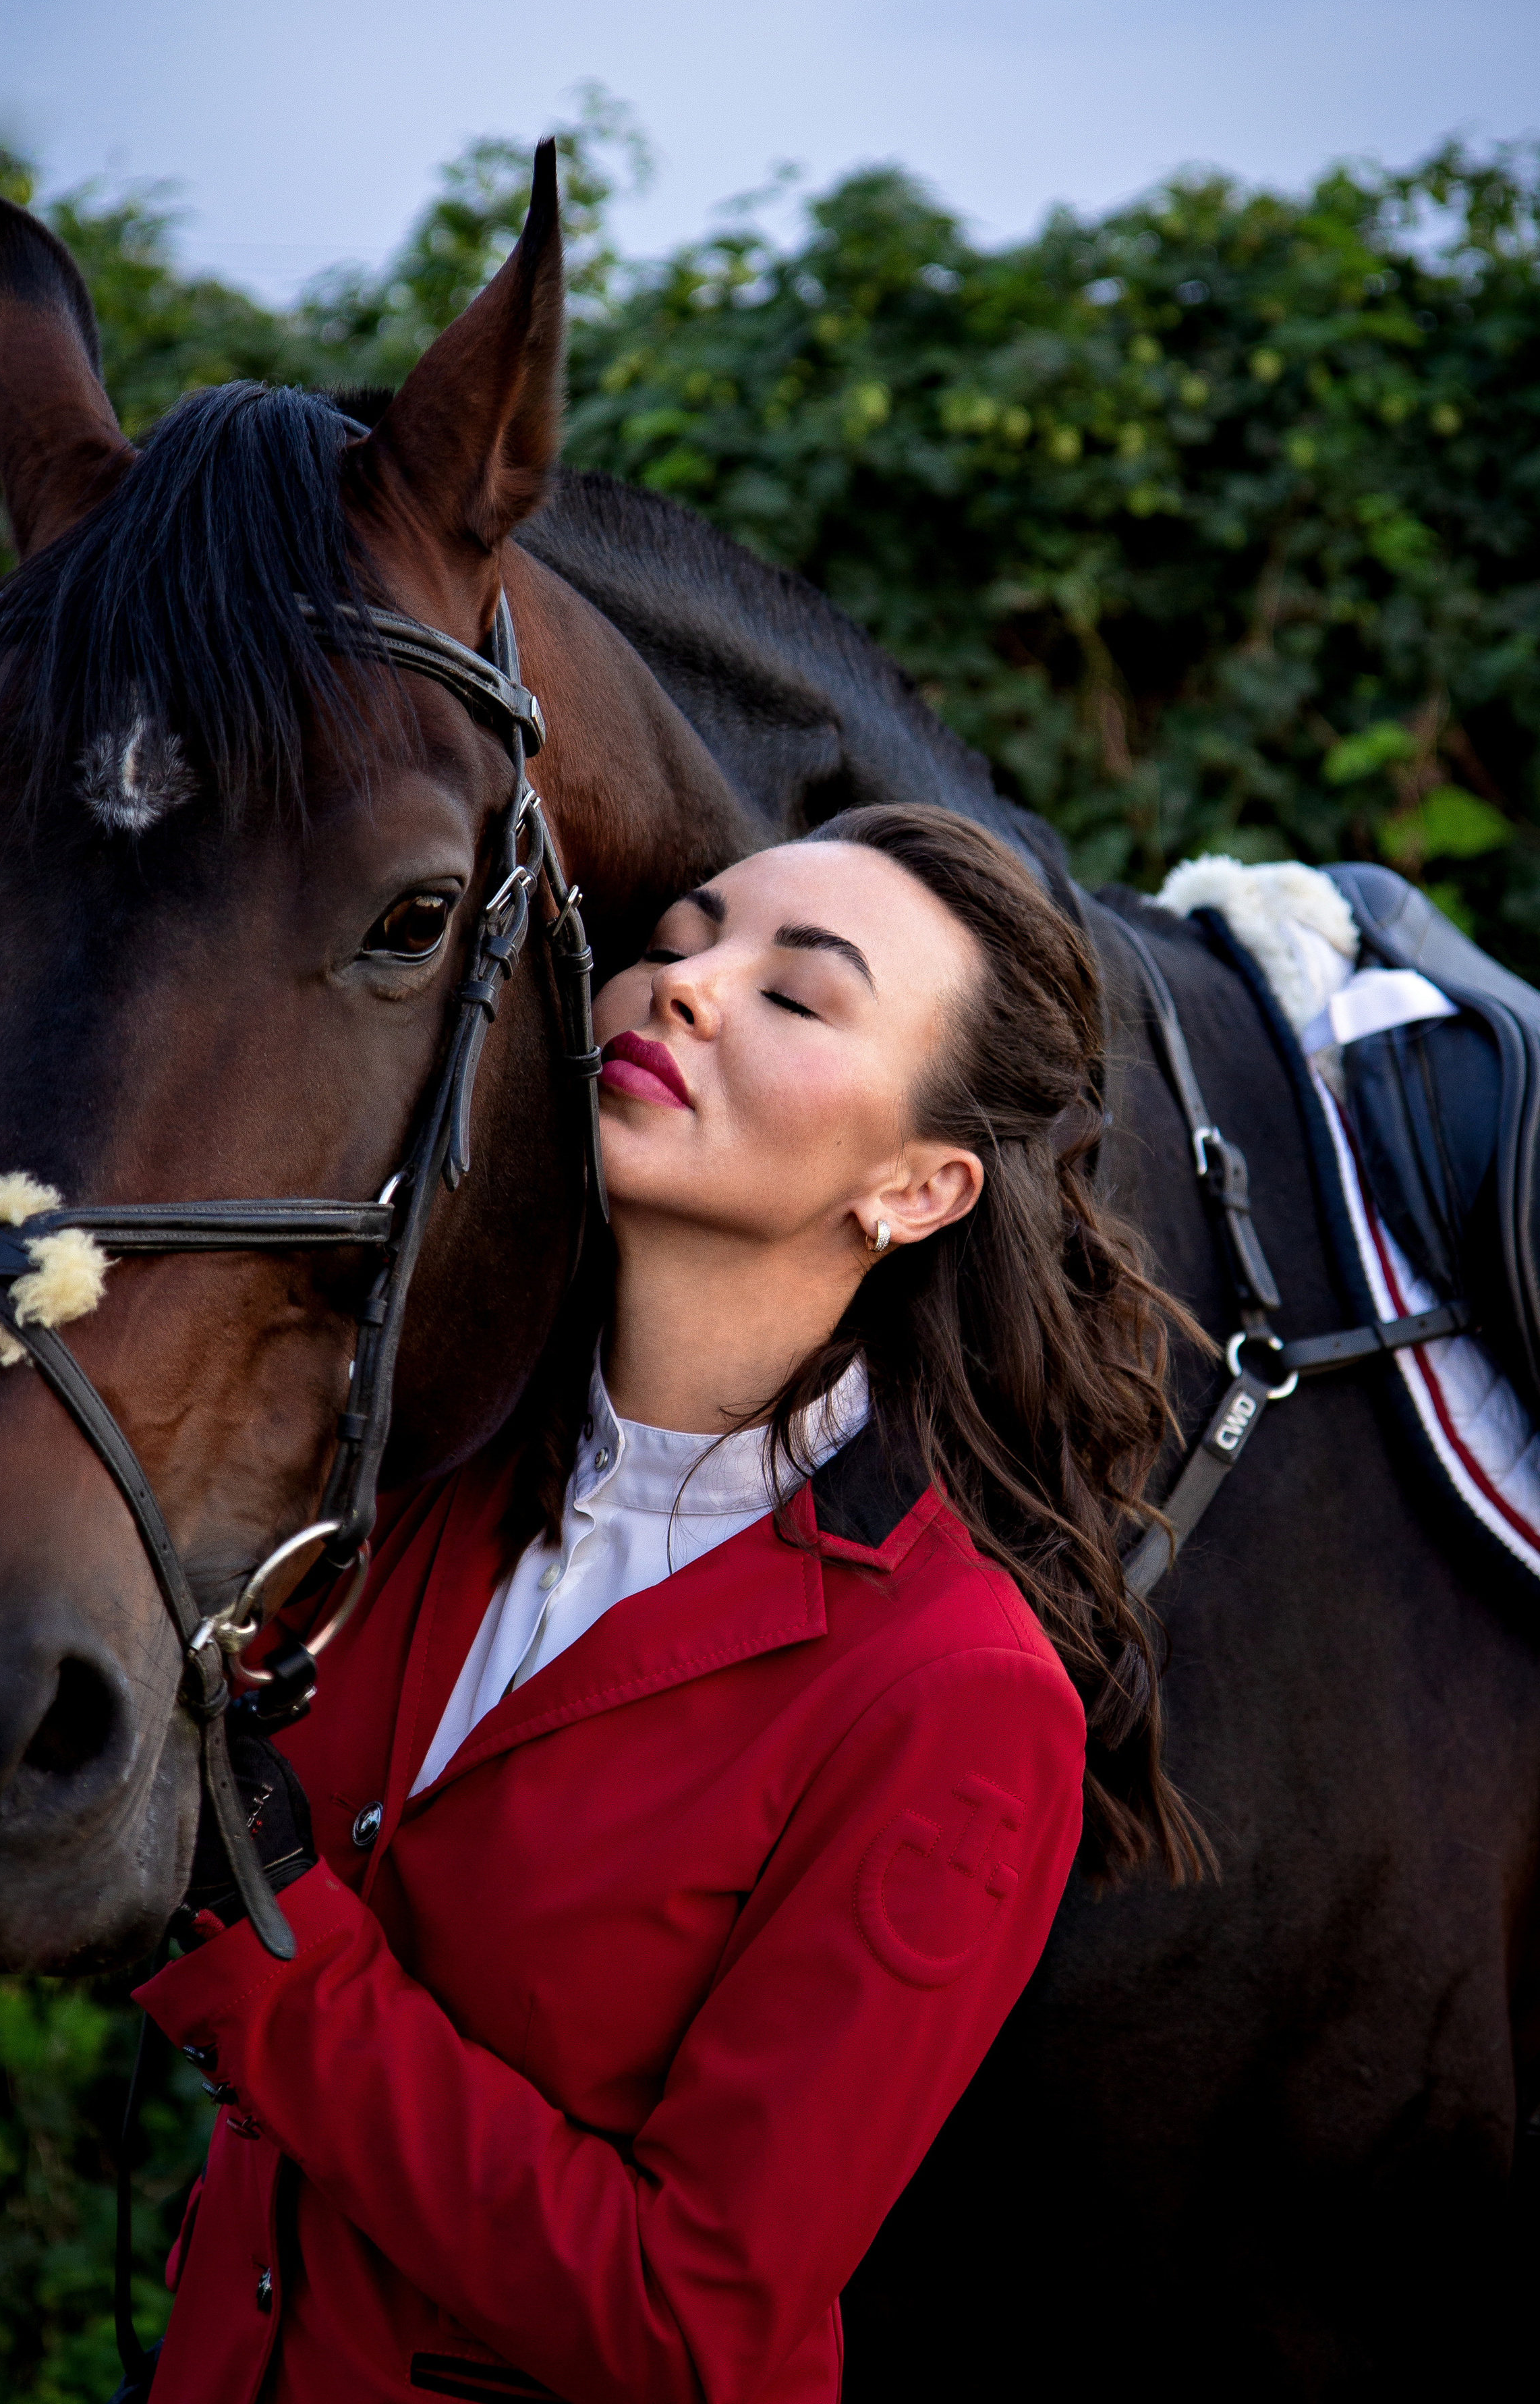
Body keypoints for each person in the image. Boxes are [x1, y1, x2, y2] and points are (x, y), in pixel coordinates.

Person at [135, 804, 1204, 2404]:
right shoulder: (415, 1468)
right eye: (682, 940)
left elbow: (693, 2326)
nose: (684, 986)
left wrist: (274, 1952)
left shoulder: (954, 1696)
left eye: (796, 995)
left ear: (918, 1189)